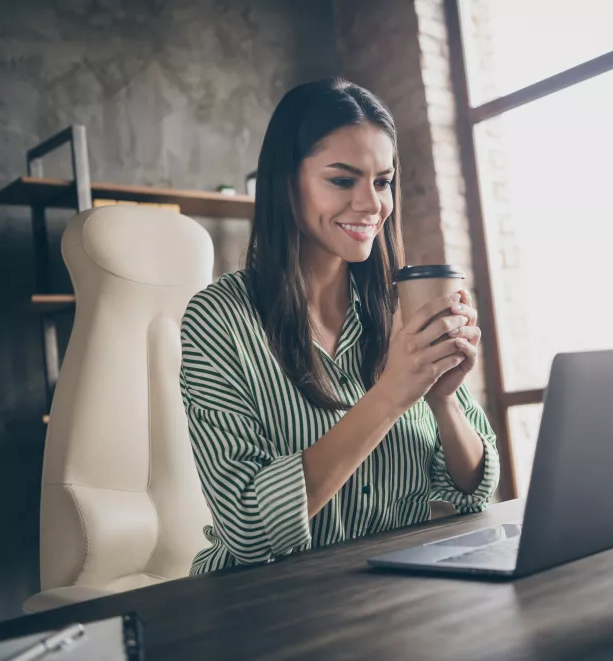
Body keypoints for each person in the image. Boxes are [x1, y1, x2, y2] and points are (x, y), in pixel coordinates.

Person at [179, 78, 499, 574]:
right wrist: (389, 396)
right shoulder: (217, 320)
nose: (371, 204)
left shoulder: (401, 305)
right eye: (343, 180)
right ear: (287, 183)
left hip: (391, 591)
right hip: (263, 604)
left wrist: (441, 397)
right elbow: (246, 527)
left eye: (382, 181)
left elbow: (474, 488)